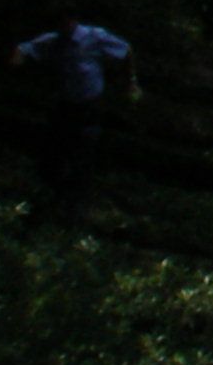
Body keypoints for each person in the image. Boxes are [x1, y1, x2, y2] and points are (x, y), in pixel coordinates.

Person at [11, 12, 135, 218]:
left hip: (89, 105)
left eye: (66, 22)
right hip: (65, 105)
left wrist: (131, 81)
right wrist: (17, 60)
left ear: (73, 21)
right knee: (55, 150)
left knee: (83, 151)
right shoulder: (53, 41)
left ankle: (76, 205)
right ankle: (51, 198)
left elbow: (125, 49)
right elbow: (26, 48)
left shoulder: (94, 36)